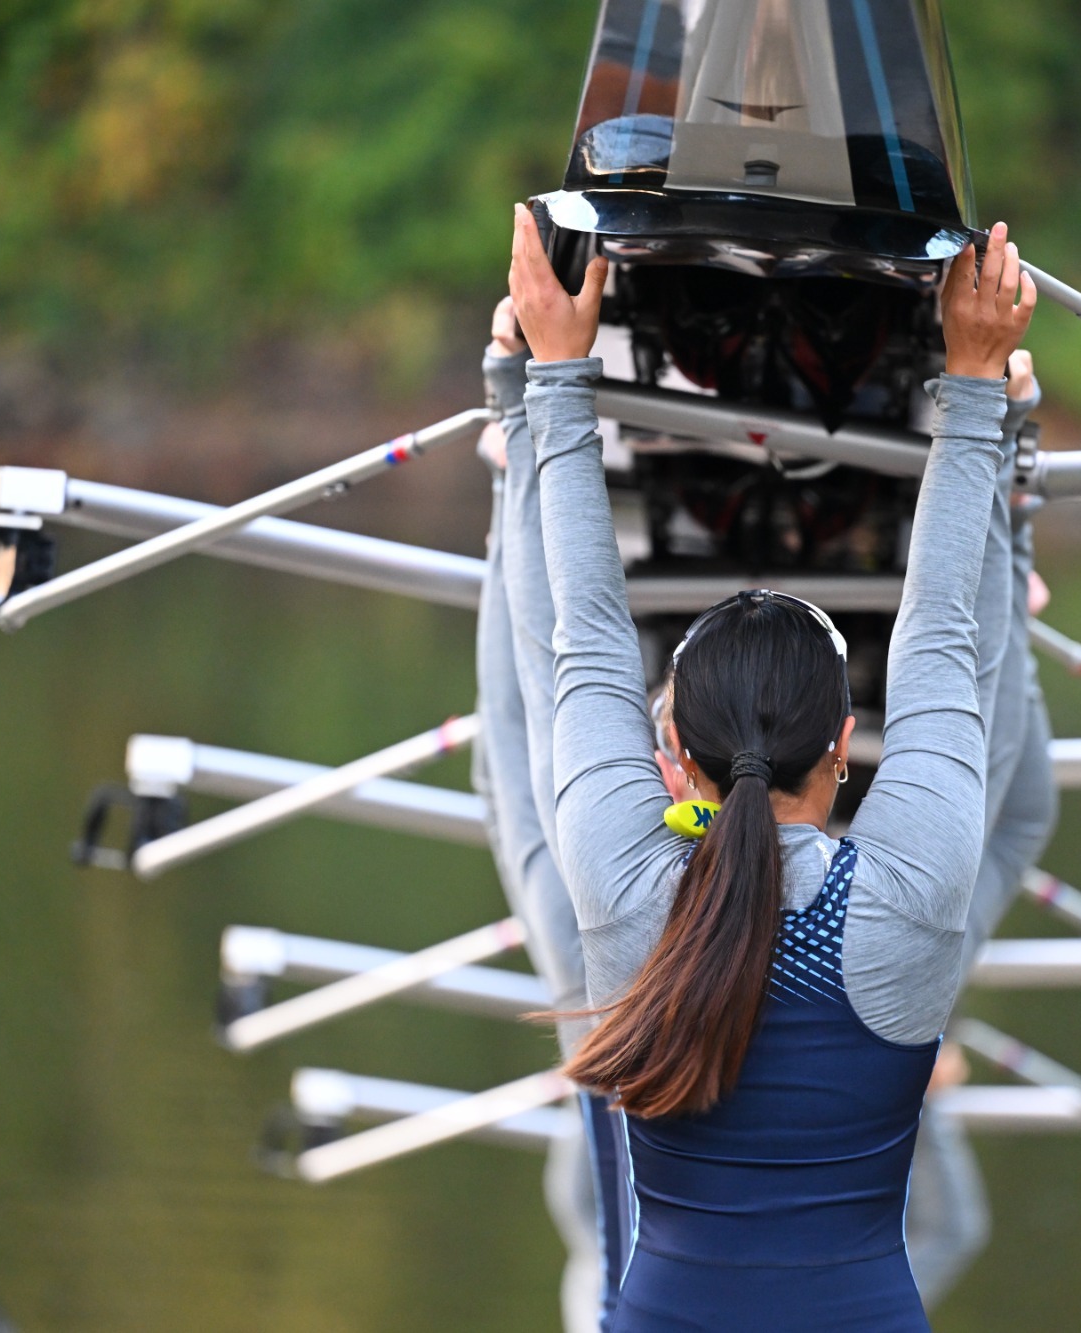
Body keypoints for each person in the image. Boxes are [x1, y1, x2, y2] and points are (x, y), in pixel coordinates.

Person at [510, 204, 1037, 1328]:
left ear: (674, 757)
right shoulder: (904, 892)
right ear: (845, 744)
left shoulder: (628, 883)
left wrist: (550, 379)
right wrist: (975, 379)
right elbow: (945, 635)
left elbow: (582, 639)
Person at [474, 298, 631, 1333]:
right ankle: (514, 447)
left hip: (609, 974)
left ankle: (517, 445)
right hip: (606, 973)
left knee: (532, 725)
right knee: (524, 741)